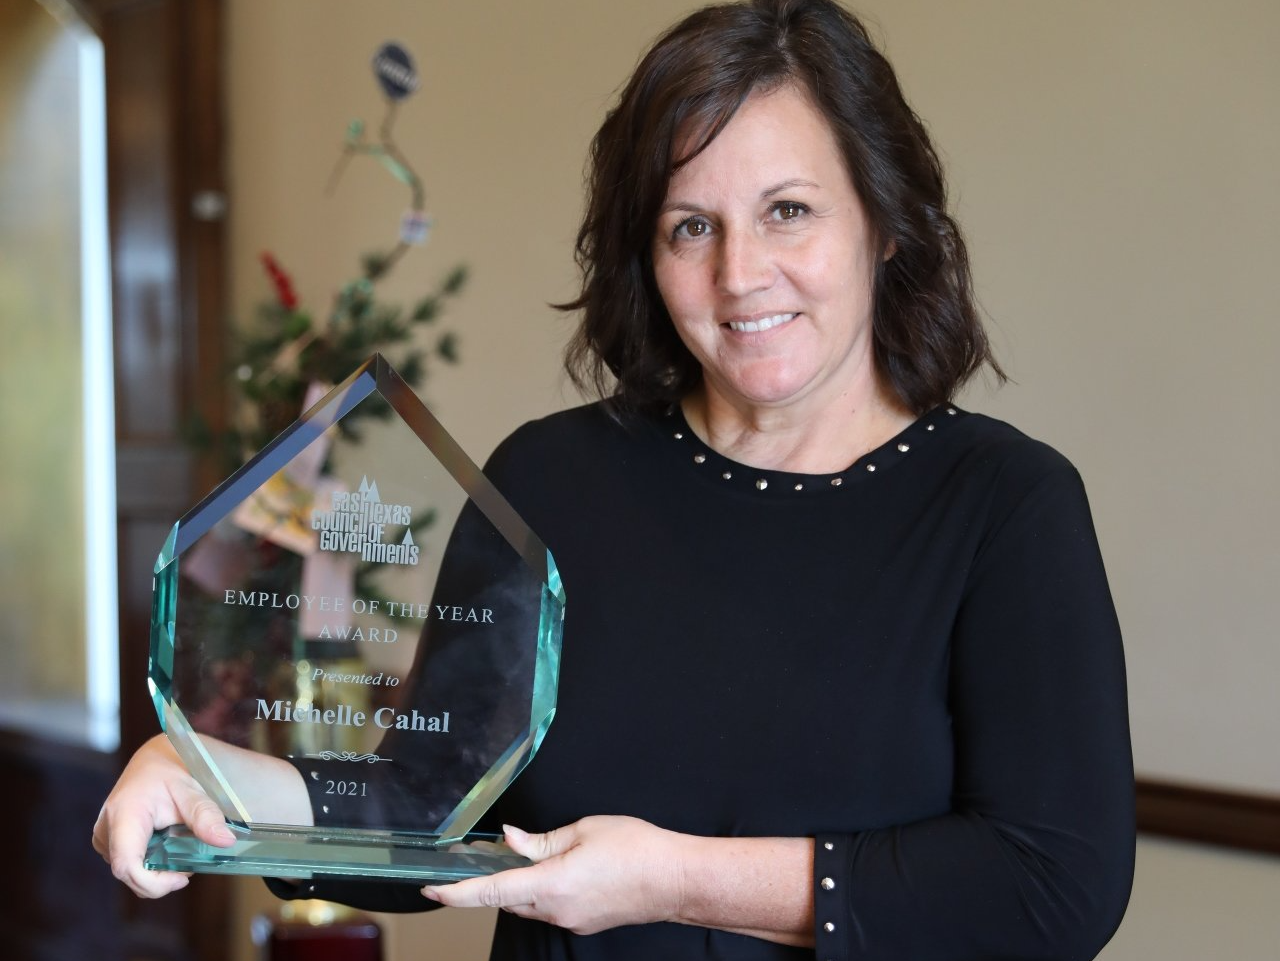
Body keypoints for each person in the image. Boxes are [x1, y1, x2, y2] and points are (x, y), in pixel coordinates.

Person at [94, 1, 1135, 958]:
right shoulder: (550, 477)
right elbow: (423, 806)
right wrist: (205, 777)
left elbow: (1050, 887)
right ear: (646, 253)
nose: (738, 274)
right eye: (691, 225)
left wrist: (672, 880)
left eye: (787, 211)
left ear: (885, 220)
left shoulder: (1004, 505)